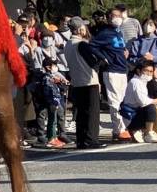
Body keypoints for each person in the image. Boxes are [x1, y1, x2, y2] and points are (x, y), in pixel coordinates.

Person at [89, 8, 132, 142]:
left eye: (120, 15)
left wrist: (125, 52)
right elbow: (92, 45)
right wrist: (103, 58)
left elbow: (117, 47)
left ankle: (124, 127)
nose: (118, 18)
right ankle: (118, 130)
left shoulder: (117, 32)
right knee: (115, 101)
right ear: (108, 17)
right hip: (112, 70)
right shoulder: (105, 33)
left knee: (124, 100)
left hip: (122, 69)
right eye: (115, 16)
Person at [63, 17, 105, 149]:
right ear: (80, 29)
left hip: (76, 81)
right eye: (84, 27)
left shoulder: (68, 45)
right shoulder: (81, 44)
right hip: (89, 81)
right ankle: (92, 139)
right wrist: (102, 61)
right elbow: (93, 62)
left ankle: (81, 140)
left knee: (81, 112)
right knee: (92, 112)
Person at [121, 60, 157, 143]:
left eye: (151, 71)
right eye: (146, 71)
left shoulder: (143, 82)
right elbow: (144, 102)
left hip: (135, 114)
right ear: (139, 70)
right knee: (151, 107)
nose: (149, 74)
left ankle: (142, 131)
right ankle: (147, 133)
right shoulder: (135, 82)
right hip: (131, 116)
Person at [128, 19, 157, 86]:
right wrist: (141, 59)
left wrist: (153, 58)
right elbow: (131, 60)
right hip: (142, 75)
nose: (148, 26)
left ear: (155, 27)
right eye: (146, 24)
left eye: (151, 24)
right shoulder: (137, 42)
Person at [39, 57, 68, 149]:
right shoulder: (47, 78)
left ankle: (54, 137)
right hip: (52, 101)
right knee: (52, 120)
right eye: (54, 65)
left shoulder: (51, 77)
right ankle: (51, 139)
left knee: (54, 119)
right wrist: (52, 101)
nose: (55, 67)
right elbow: (48, 91)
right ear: (48, 67)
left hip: (56, 100)